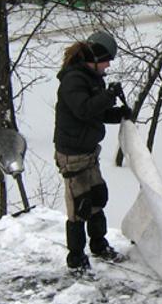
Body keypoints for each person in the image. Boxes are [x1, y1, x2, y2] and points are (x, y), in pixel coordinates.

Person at [53, 29, 132, 271]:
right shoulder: (73, 80)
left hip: (88, 152)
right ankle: (76, 259)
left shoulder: (91, 78)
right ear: (95, 58)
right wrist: (108, 97)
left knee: (97, 197)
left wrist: (118, 114)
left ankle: (99, 245)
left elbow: (95, 112)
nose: (108, 65)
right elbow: (84, 109)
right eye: (106, 59)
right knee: (79, 207)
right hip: (72, 155)